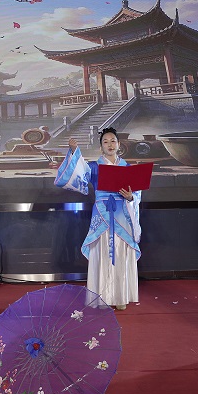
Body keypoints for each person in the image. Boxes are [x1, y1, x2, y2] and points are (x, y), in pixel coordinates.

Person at [54, 127, 141, 310]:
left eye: (113, 141)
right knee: (102, 253)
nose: (110, 145)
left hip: (122, 213)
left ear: (119, 144)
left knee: (121, 253)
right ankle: (103, 297)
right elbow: (75, 174)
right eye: (105, 142)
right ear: (101, 147)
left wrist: (131, 197)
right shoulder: (94, 167)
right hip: (102, 214)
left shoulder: (128, 168)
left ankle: (120, 296)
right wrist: (74, 152)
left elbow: (137, 194)